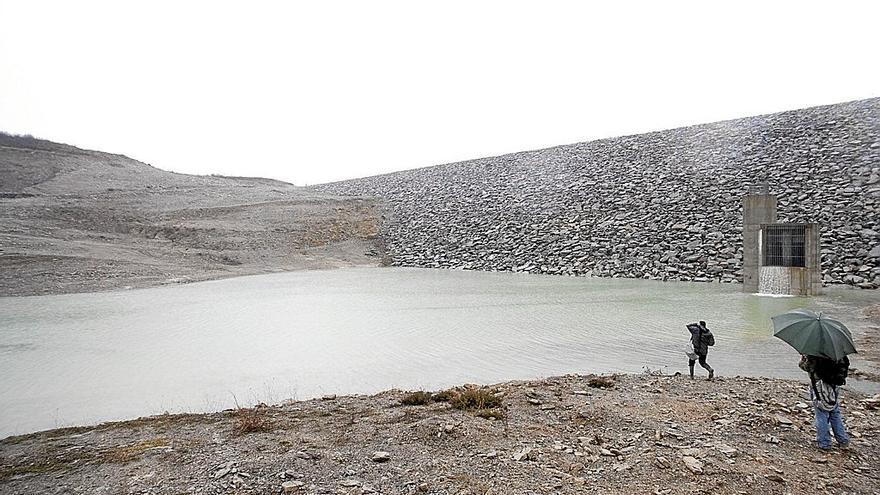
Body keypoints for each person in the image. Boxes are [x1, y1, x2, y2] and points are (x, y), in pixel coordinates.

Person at [799, 354, 851, 451]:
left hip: (819, 386)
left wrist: (803, 359)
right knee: (834, 411)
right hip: (835, 385)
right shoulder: (838, 352)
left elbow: (806, 367)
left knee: (821, 413)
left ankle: (824, 443)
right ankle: (843, 440)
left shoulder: (814, 353)